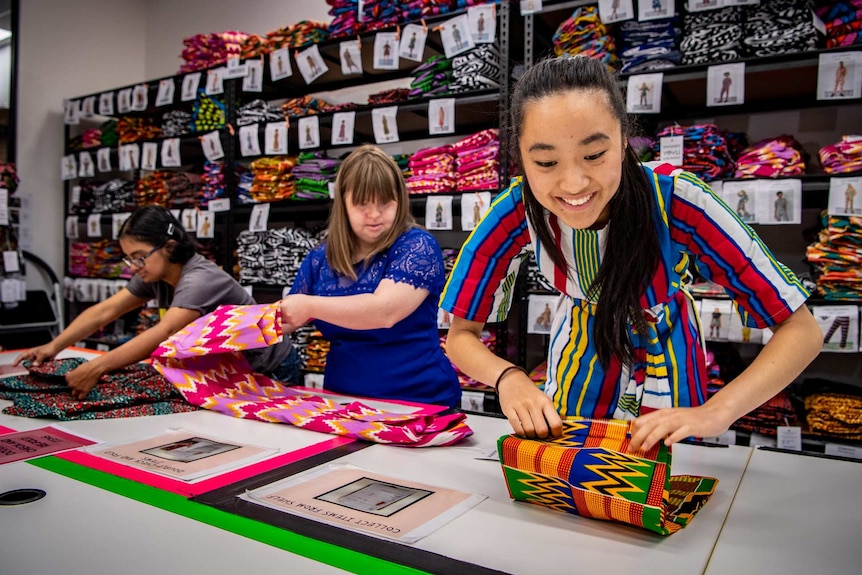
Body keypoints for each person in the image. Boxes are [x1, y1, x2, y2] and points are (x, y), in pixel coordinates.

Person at [440, 55, 821, 451]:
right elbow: (461, 336)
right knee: (575, 488)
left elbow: (801, 330)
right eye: (546, 162)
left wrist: (717, 411)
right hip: (578, 362)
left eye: (594, 155)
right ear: (520, 156)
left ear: (623, 140)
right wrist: (508, 378)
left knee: (664, 491)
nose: (573, 183)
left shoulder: (680, 201)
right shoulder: (516, 210)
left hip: (669, 361)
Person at [15, 206, 296, 399]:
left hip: (268, 367)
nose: (133, 266)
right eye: (128, 258)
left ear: (170, 247)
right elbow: (106, 311)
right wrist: (53, 346)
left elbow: (163, 333)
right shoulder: (154, 274)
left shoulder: (200, 279)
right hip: (228, 367)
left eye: (139, 256)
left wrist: (96, 367)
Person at [279, 145, 460, 407]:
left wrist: (309, 305)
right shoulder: (320, 260)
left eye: (385, 203)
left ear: (400, 199)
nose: (374, 214)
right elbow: (283, 320)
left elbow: (384, 311)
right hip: (344, 403)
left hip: (420, 403)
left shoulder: (418, 246)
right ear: (343, 203)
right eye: (362, 203)